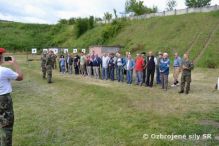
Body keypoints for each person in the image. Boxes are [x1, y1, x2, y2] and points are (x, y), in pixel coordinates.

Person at [0, 48, 23, 146]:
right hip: (3, 99)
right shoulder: (5, 71)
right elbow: (20, 77)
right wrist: (15, 64)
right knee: (6, 126)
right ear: (1, 58)